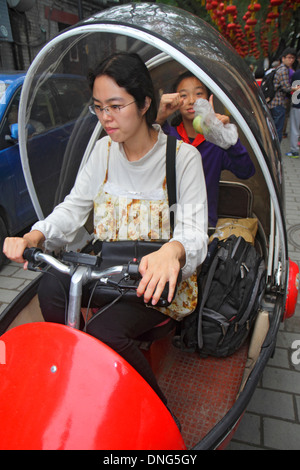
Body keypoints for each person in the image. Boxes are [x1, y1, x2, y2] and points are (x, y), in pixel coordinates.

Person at [3, 52, 208, 419]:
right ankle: (85, 372)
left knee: (103, 330)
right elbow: (74, 207)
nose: (105, 118)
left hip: (154, 283)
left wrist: (172, 250)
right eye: (98, 107)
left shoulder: (182, 159)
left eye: (115, 105)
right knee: (50, 287)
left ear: (145, 102)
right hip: (107, 269)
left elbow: (194, 234)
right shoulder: (102, 151)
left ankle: (156, 412)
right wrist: (36, 235)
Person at [156, 71, 255, 229]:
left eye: (199, 93)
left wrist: (226, 137)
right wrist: (159, 118)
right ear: (175, 101)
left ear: (209, 99)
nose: (192, 101)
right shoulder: (166, 134)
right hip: (165, 223)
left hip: (202, 225)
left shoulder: (216, 141)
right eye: (184, 95)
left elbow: (246, 171)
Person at [268, 47, 300, 142]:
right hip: (278, 103)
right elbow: (286, 88)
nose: (291, 60)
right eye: (289, 58)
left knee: (274, 129)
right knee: (278, 130)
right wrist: (296, 88)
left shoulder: (279, 68)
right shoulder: (283, 70)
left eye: (293, 58)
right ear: (283, 58)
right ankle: (276, 151)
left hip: (273, 103)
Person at [286, 51, 300, 158]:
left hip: (298, 105)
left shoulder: (297, 74)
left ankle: (294, 151)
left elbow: (295, 92)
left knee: (295, 128)